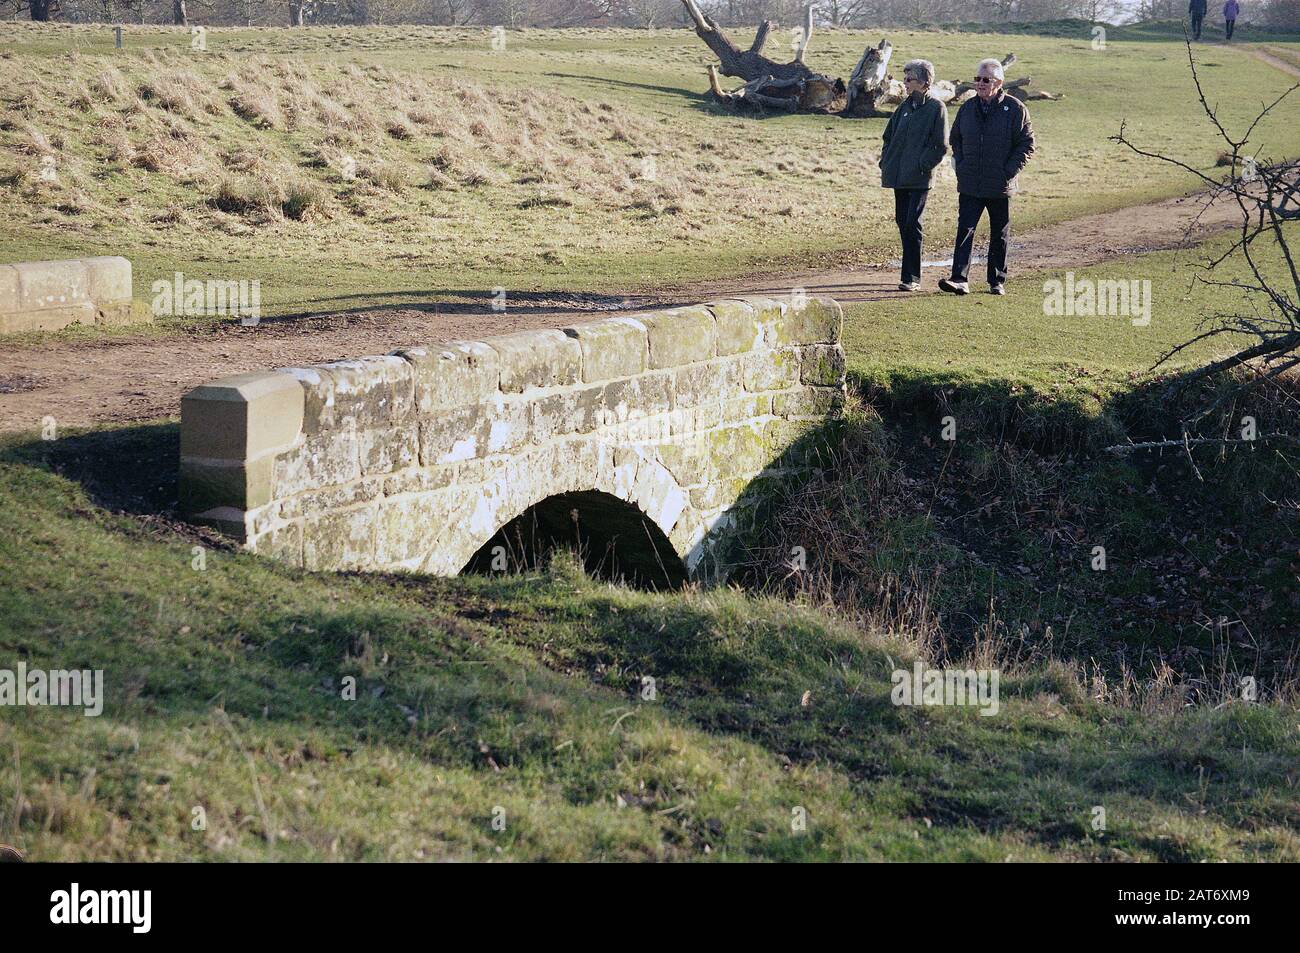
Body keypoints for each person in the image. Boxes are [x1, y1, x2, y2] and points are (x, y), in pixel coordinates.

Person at [938, 58, 1035, 297]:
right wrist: (961, 165)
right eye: (977, 79)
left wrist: (1008, 171)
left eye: (986, 80)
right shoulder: (968, 108)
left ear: (999, 82)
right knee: (965, 230)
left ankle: (996, 281)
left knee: (999, 233)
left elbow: (1027, 143)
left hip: (1000, 184)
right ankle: (959, 279)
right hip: (970, 182)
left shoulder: (1015, 109)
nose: (980, 84)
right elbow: (956, 139)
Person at [879, 59, 949, 292]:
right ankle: (908, 273)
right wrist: (885, 161)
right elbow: (888, 136)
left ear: (924, 81)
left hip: (919, 178)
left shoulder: (936, 108)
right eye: (905, 79)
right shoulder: (904, 107)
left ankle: (911, 277)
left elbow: (940, 145)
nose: (905, 83)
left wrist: (922, 165)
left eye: (909, 79)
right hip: (899, 176)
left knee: (912, 223)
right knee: (902, 222)